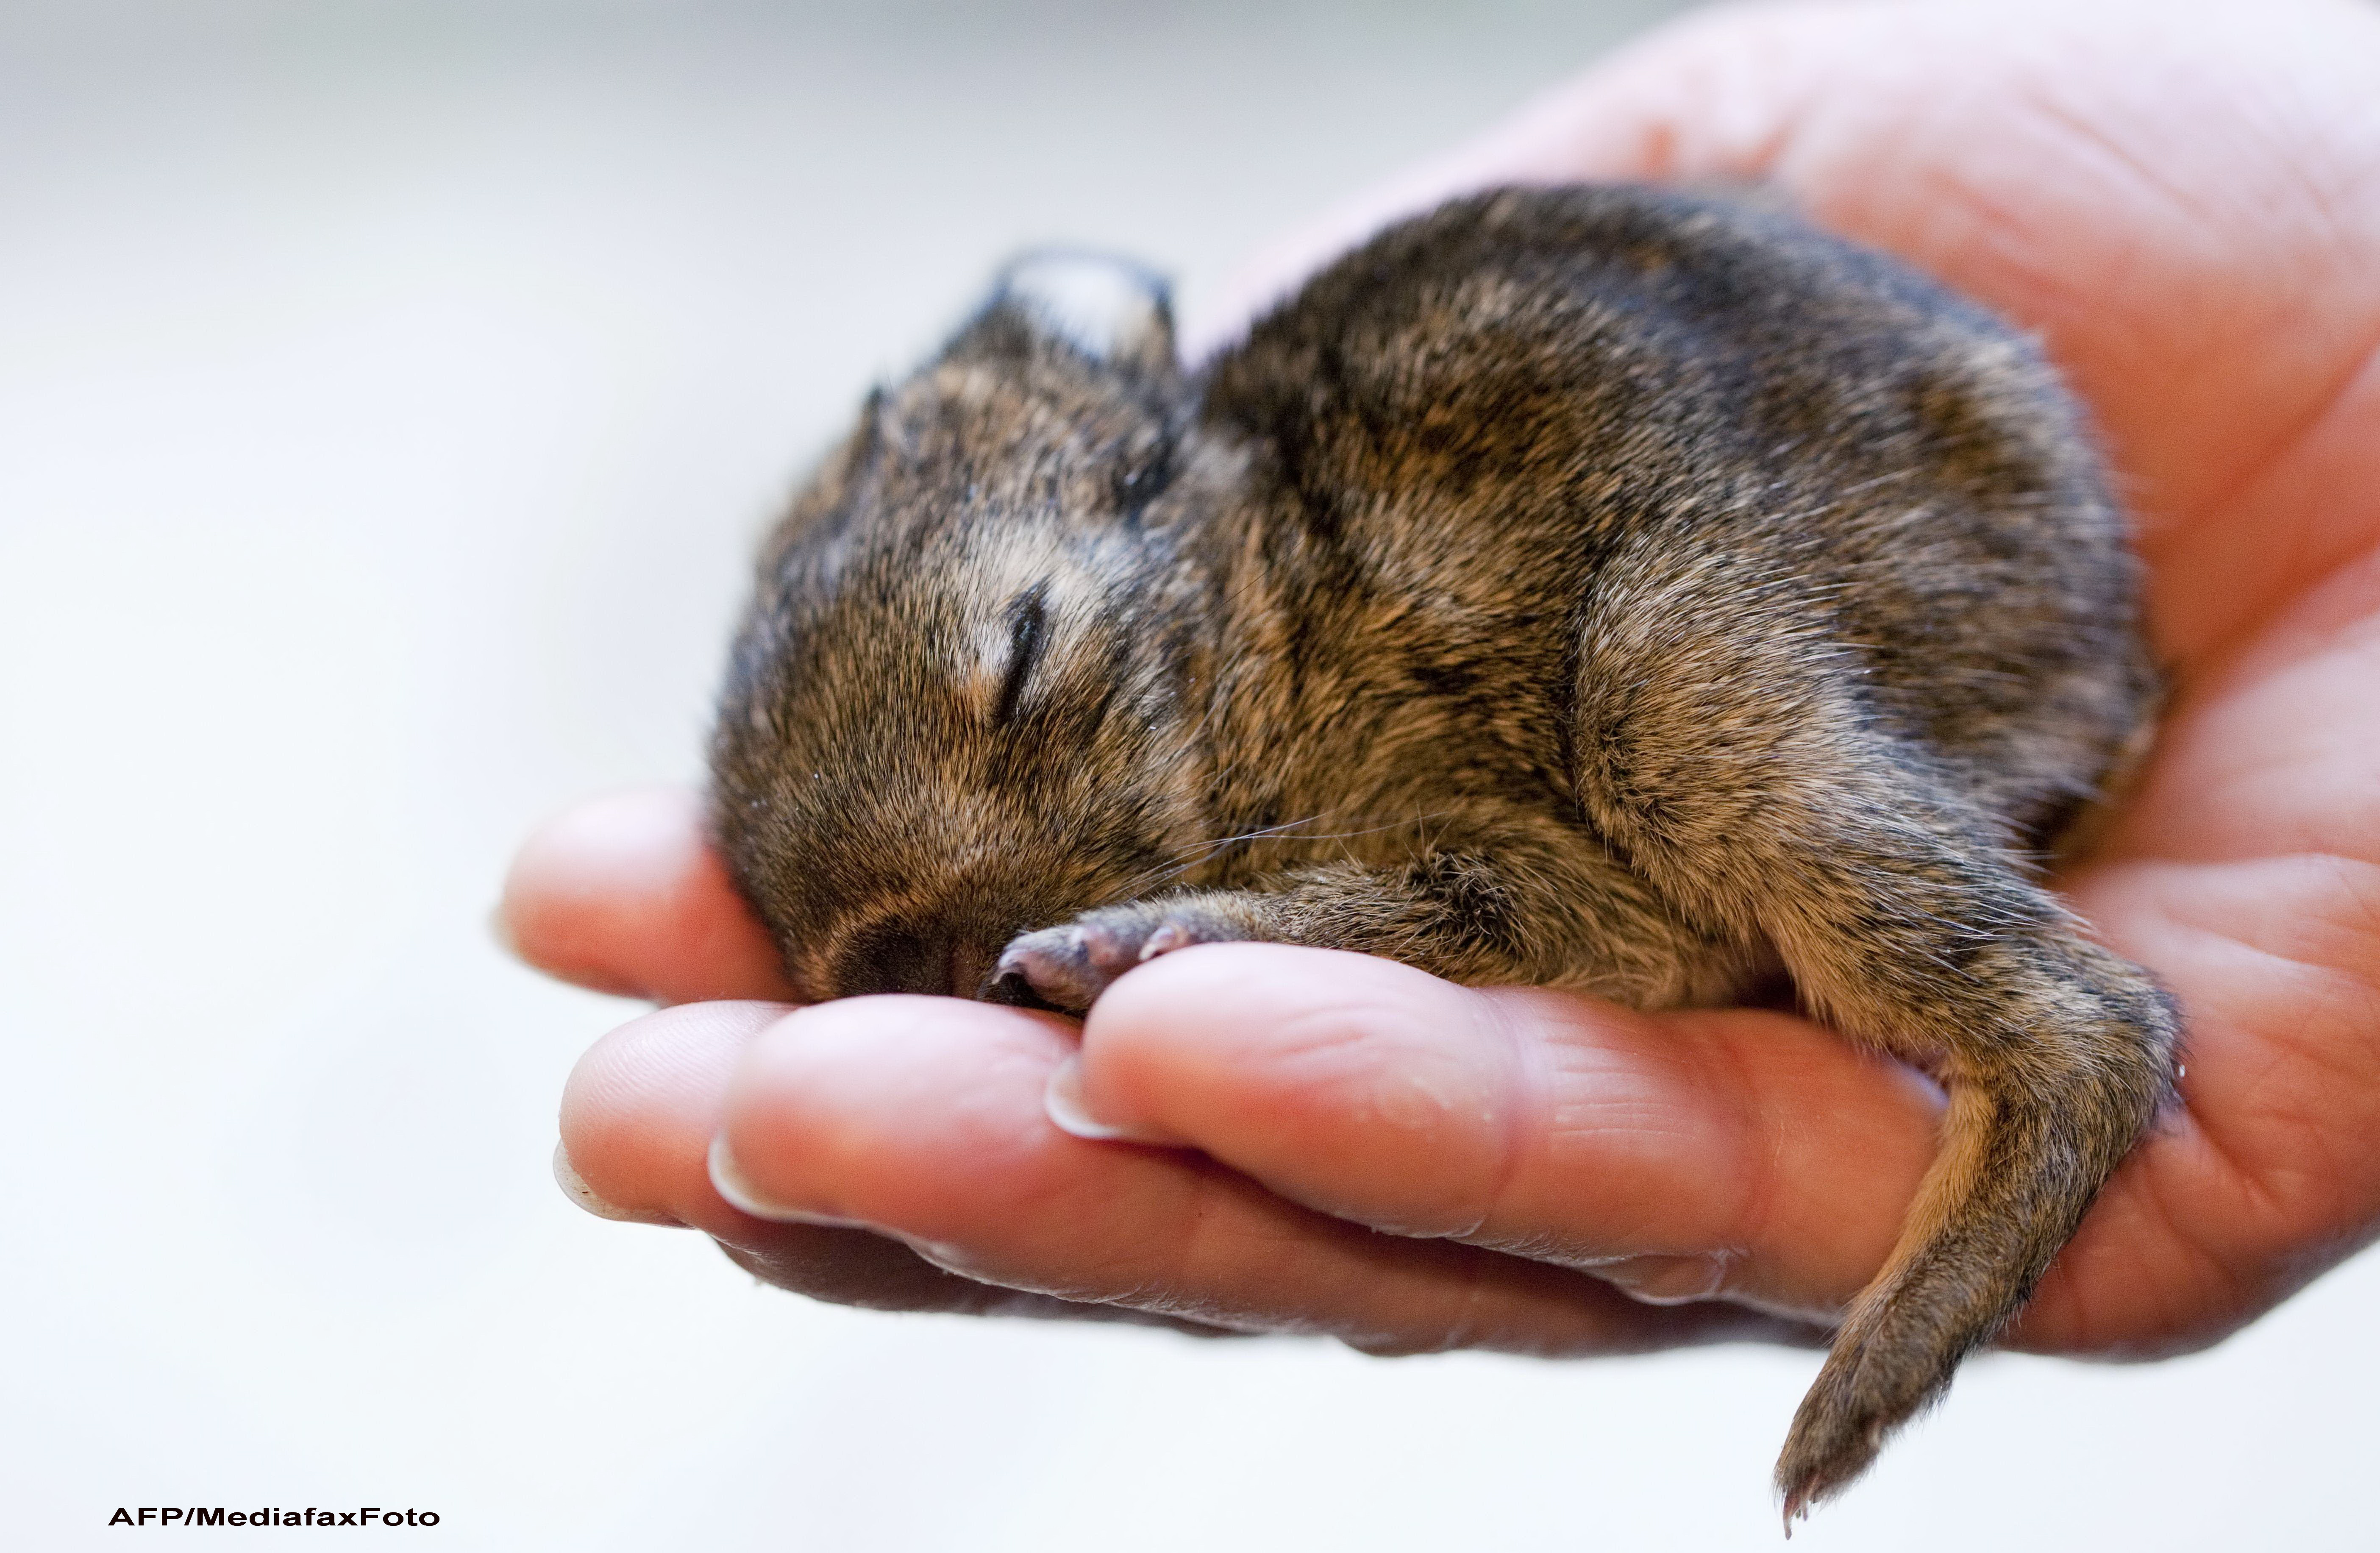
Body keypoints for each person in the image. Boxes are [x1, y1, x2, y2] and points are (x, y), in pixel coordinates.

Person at [501, 0, 2380, 1366]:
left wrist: (1237, 919)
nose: (970, 897)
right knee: (1620, 835)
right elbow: (1554, 914)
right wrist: (1232, 921)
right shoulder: (1274, 658)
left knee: (1677, 709)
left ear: (1171, 503)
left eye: (1027, 686)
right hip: (1851, 583)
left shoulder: (1352, 595)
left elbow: (1572, 895)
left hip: (1907, 542)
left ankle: (2045, 1032)